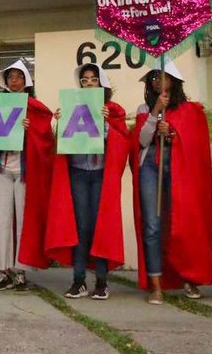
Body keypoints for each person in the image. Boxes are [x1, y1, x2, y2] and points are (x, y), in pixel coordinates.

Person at [131, 60, 212, 304]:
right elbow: (142, 141)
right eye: (154, 77)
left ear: (173, 81)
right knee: (152, 225)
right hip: (150, 167)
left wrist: (175, 133)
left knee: (181, 222)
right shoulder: (143, 108)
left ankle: (188, 276)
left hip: (178, 167)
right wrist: (154, 113)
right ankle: (156, 284)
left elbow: (195, 145)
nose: (158, 81)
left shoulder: (190, 110)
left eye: (162, 76)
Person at [45, 63, 129, 301]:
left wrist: (104, 124)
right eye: (85, 80)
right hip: (79, 172)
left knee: (100, 225)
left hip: (101, 173)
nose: (89, 83)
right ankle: (79, 280)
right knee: (81, 226)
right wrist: (60, 124)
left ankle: (101, 282)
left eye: (93, 79)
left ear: (101, 83)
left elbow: (122, 142)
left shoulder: (113, 111)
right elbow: (61, 145)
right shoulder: (73, 106)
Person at [0, 60, 55, 291]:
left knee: (24, 219)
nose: (14, 81)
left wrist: (31, 129)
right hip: (1, 168)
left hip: (24, 170)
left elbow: (46, 138)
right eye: (11, 77)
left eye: (19, 77)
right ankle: (3, 270)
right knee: (1, 219)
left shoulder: (36, 108)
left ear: (26, 81)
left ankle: (21, 270)